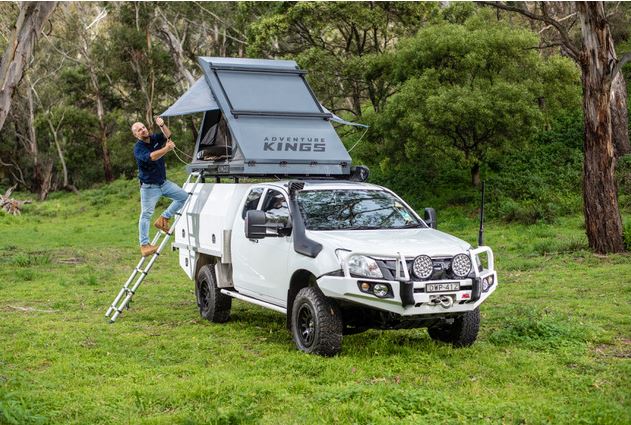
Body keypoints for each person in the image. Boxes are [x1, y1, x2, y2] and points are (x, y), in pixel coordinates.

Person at [132, 117, 188, 257]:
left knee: (184, 197)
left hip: (163, 183)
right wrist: (166, 149)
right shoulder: (138, 148)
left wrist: (162, 124)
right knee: (146, 215)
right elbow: (152, 157)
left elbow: (168, 135)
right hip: (149, 187)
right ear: (136, 135)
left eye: (143, 127)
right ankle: (144, 245)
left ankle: (164, 218)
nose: (143, 130)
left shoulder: (154, 137)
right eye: (139, 130)